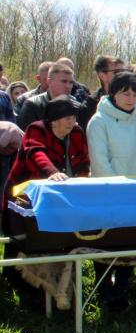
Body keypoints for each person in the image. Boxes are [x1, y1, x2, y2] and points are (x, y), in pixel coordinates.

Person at [3, 97, 90, 309]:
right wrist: (52, 172)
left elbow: (83, 161)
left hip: (61, 201)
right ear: (54, 120)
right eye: (68, 118)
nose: (72, 122)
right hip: (23, 198)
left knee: (57, 242)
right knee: (21, 242)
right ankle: (22, 289)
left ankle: (59, 291)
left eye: (74, 118)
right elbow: (35, 152)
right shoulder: (36, 129)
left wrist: (82, 183)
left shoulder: (77, 133)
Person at [86, 72, 136, 311]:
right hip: (106, 192)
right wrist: (119, 186)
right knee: (105, 242)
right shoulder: (98, 121)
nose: (130, 98)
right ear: (113, 93)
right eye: (125, 93)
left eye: (135, 94)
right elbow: (99, 160)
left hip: (135, 191)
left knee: (129, 241)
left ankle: (121, 289)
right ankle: (104, 290)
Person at [17, 62, 77, 129]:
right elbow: (27, 133)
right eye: (64, 81)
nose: (68, 86)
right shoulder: (32, 105)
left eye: (71, 82)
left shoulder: (75, 105)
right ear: (49, 81)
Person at [81, 55, 125, 129]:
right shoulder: (90, 106)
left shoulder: (133, 101)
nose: (123, 76)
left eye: (124, 72)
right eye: (117, 72)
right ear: (102, 76)